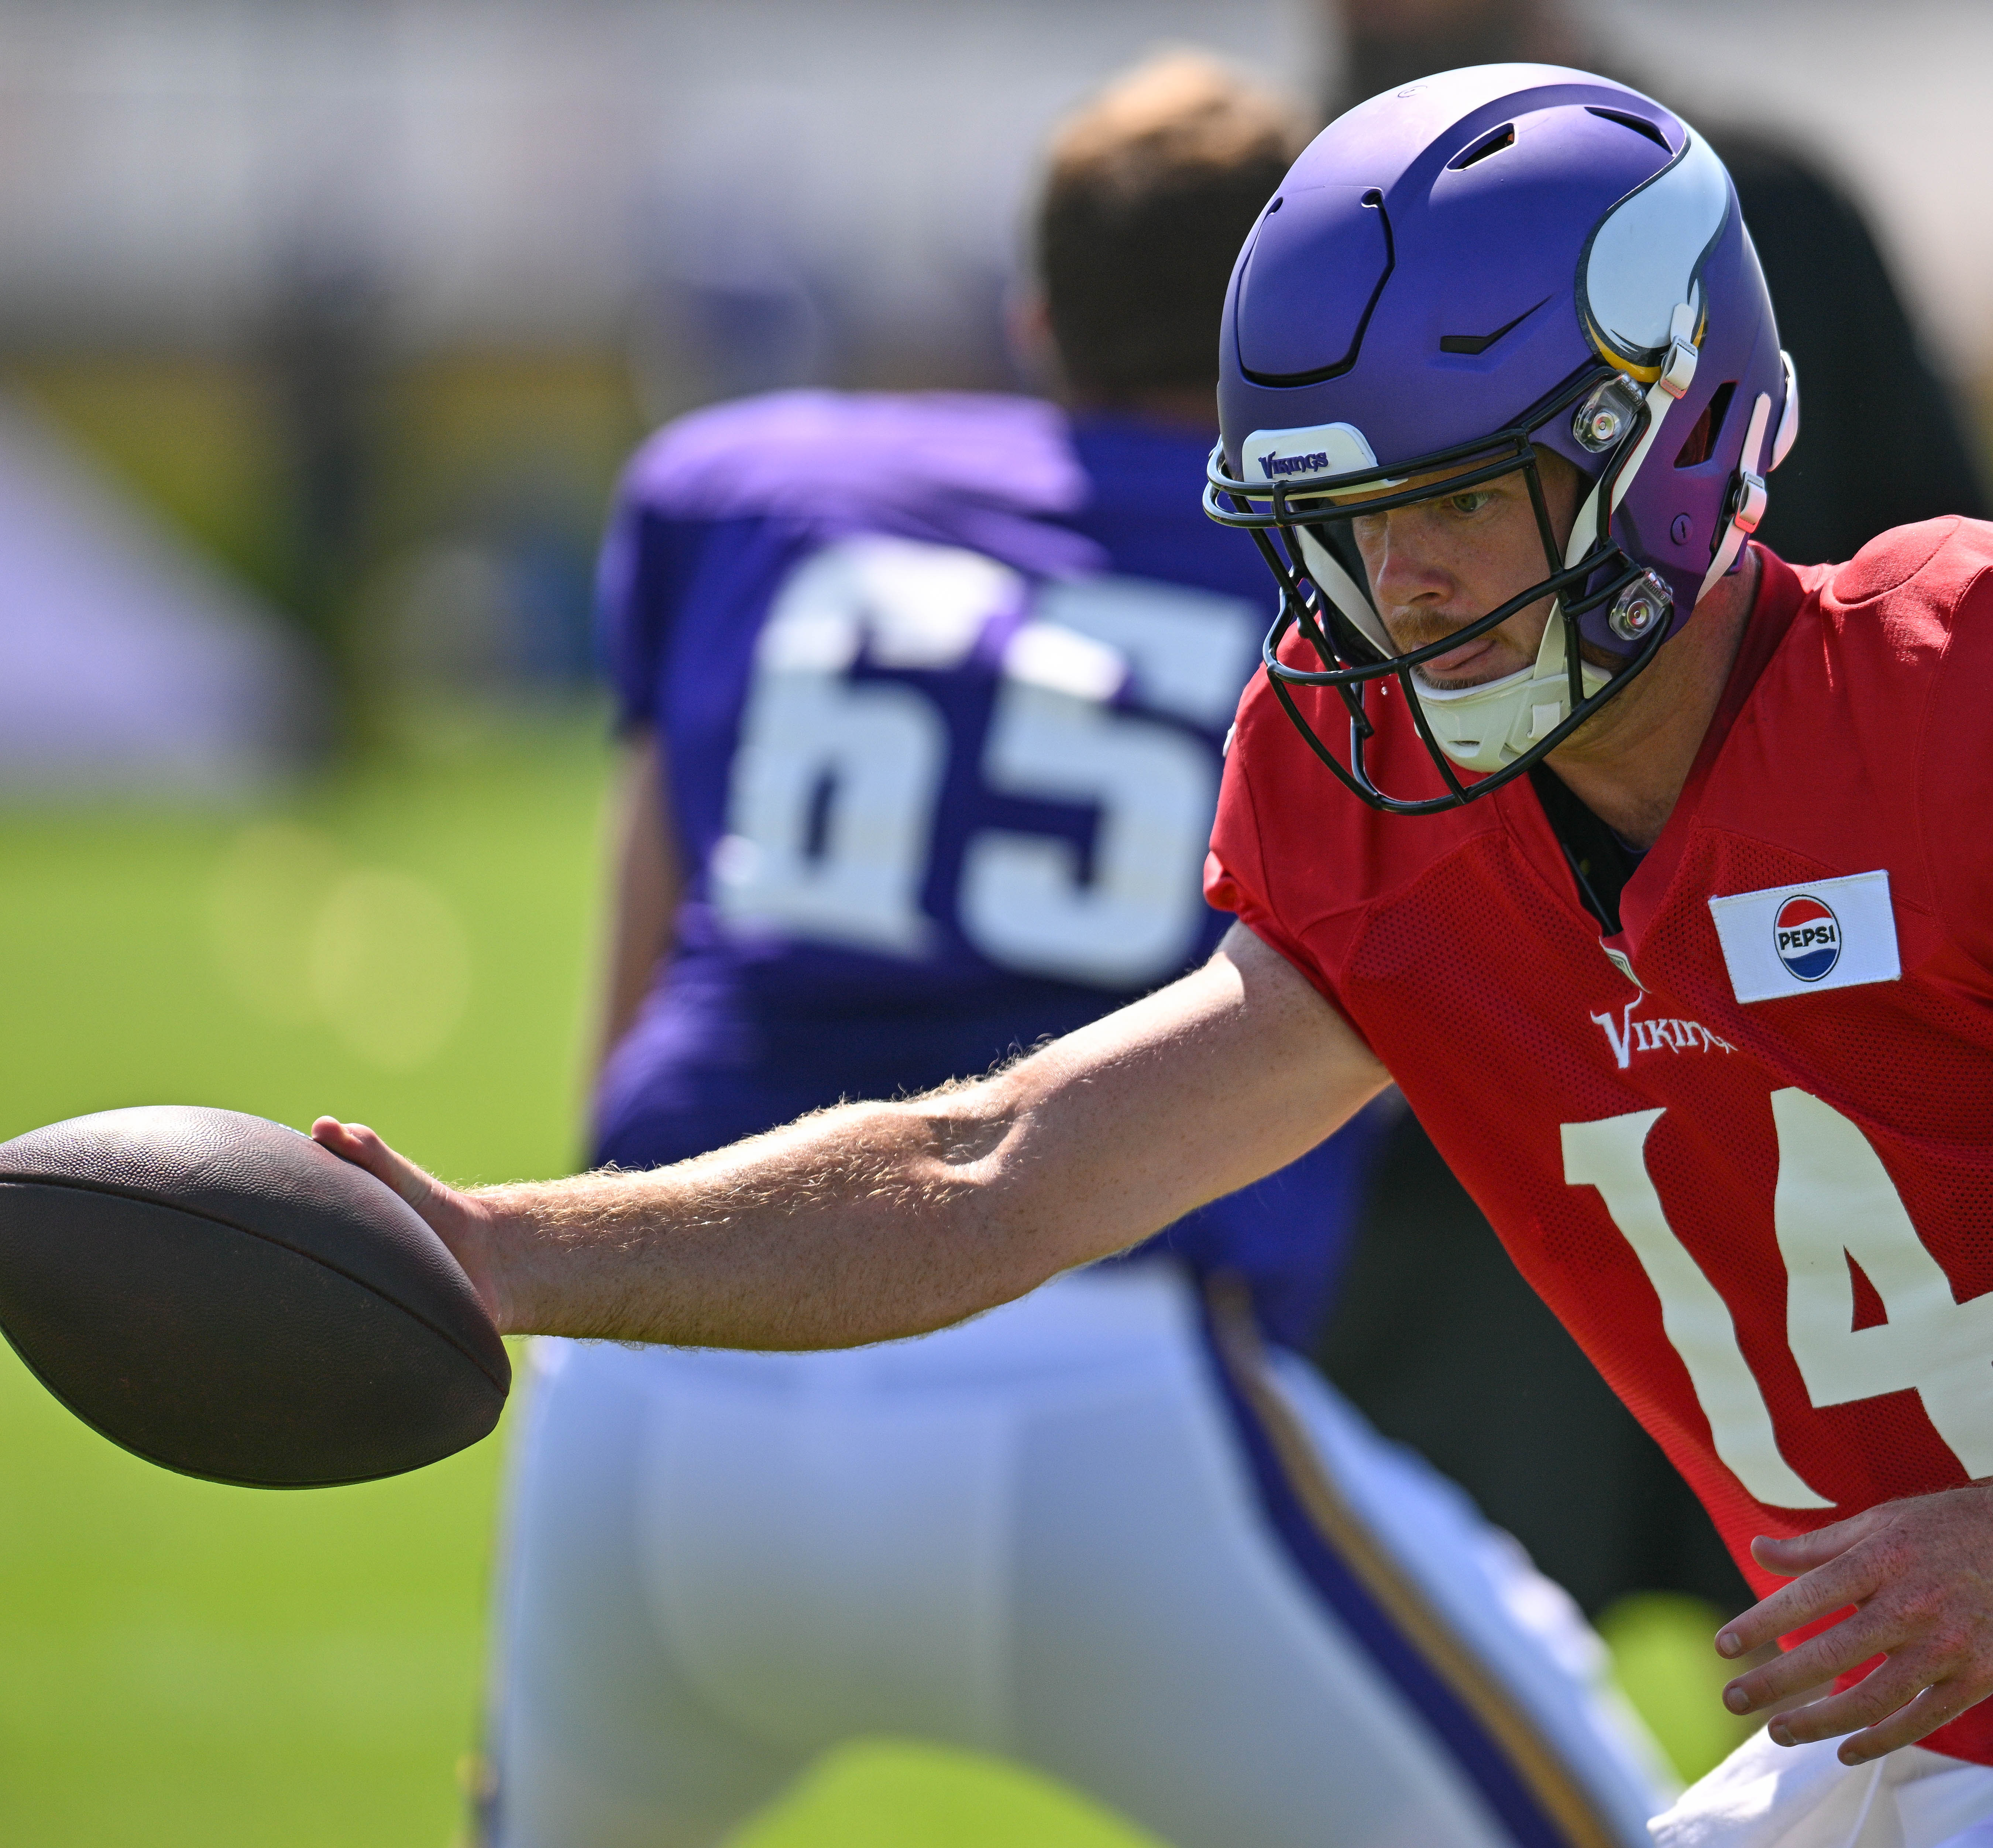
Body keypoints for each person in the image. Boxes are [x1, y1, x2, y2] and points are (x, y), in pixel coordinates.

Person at [325, 65, 1993, 1847]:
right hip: (1929, 1735)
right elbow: (1000, 1165)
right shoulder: (1373, 796)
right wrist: (504, 1253)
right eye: (1335, 519)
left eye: (1449, 500)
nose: (1391, 590)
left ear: (1672, 434)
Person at [465, 54, 1670, 1848]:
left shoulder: (740, 486)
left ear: (1034, 312)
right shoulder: (1368, 559)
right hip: (1111, 1384)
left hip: (657, 1360)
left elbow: (640, 966)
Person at [1314, 0, 1993, 1629]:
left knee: (1918, 1706)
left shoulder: (1759, 208)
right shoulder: (1306, 243)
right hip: (1472, 1111)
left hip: (1823, 1076)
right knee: (1452, 1713)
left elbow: (1953, 617)